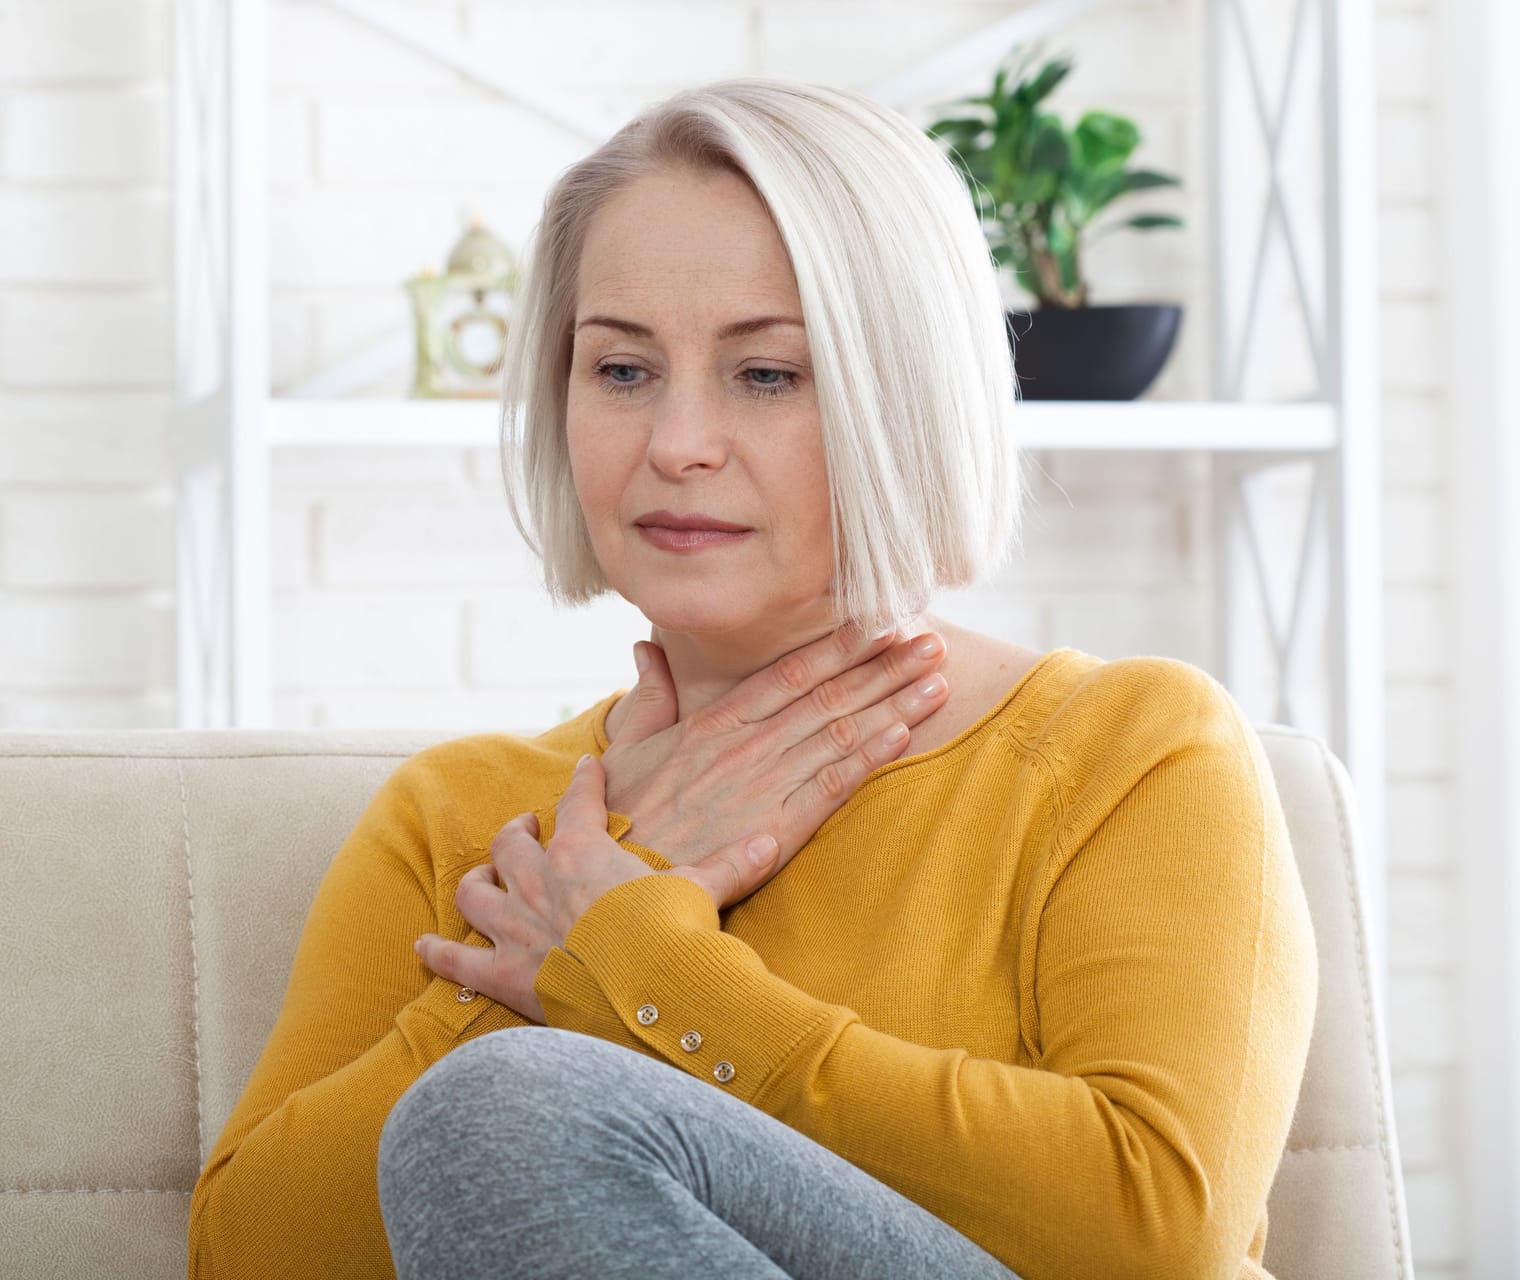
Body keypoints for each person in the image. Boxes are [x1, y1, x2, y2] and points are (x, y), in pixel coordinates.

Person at [187, 77, 1317, 1280]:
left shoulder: (1128, 747)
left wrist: (636, 955)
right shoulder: (465, 816)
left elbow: (1158, 1231)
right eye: (621, 371)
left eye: (766, 374)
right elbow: (248, 1254)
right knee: (500, 1107)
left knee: (516, 1103)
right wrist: (632, 851)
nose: (676, 442)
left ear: (908, 402)